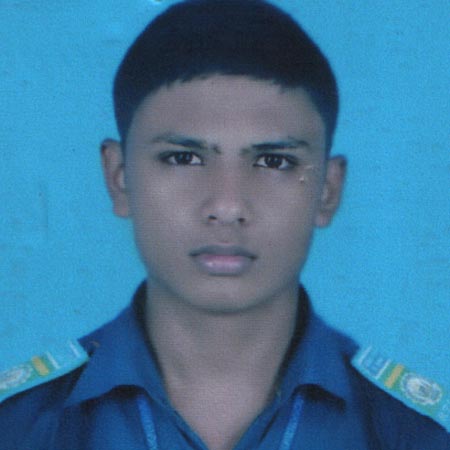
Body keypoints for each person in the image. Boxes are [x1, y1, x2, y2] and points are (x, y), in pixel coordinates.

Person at [0, 1, 448, 449]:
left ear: (327, 191)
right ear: (119, 179)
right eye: (183, 158)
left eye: (274, 161)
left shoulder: (418, 434)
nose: (228, 206)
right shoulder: (16, 427)